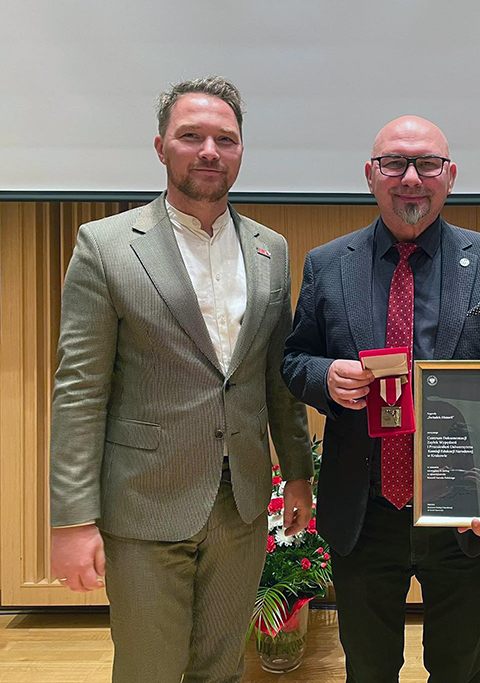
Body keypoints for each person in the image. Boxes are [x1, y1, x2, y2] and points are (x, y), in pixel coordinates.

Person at [49, 76, 313, 683]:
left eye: (225, 138)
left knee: (220, 668)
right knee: (149, 669)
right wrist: (71, 518)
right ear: (161, 147)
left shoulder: (270, 249)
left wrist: (297, 474)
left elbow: (277, 380)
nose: (209, 151)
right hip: (144, 501)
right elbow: (80, 390)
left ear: (241, 150)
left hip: (240, 505)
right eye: (190, 136)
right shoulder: (106, 246)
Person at [282, 116, 480, 682]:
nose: (411, 177)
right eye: (395, 163)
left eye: (428, 164)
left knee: (458, 667)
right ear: (371, 175)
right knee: (368, 669)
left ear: (451, 175)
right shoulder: (327, 263)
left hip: (464, 513)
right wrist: (327, 377)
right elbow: (294, 362)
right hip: (363, 511)